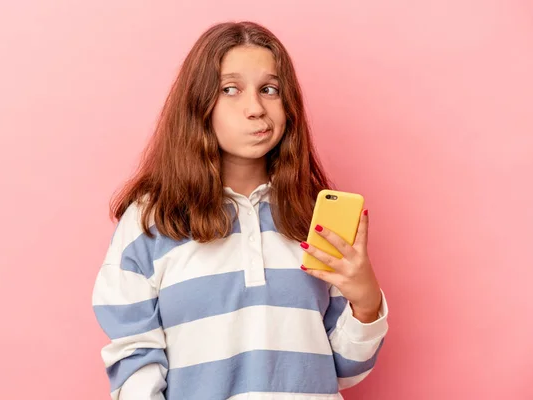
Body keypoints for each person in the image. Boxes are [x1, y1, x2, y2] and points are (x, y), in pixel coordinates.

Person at [92, 20, 388, 400]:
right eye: (230, 89)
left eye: (269, 89)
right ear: (199, 104)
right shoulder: (152, 219)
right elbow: (133, 355)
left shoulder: (312, 217)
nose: (255, 108)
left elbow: (345, 370)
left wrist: (366, 301)